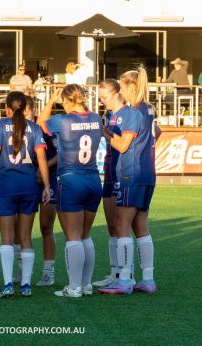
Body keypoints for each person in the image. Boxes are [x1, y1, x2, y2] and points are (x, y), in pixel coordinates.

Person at [37, 84, 103, 298]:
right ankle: (86, 285)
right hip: (93, 179)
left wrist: (50, 101)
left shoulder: (62, 120)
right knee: (85, 235)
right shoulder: (96, 118)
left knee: (72, 237)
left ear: (65, 101)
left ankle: (74, 287)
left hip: (71, 179)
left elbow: (40, 123)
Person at [99, 67, 160, 295]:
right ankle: (148, 278)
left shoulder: (132, 111)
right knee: (141, 226)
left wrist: (105, 132)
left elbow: (123, 146)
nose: (120, 91)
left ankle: (124, 280)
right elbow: (158, 132)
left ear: (129, 87)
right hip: (147, 173)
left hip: (130, 173)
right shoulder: (147, 109)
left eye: (121, 86)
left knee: (122, 225)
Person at [0, 91, 50, 298]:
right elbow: (41, 158)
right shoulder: (35, 127)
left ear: (7, 109)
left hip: (7, 185)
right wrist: (46, 186)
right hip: (29, 186)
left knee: (7, 238)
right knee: (26, 237)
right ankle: (27, 285)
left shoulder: (0, 125)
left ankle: (7, 284)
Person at [92, 79, 126, 289]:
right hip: (109, 171)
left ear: (115, 93)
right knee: (111, 226)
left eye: (104, 97)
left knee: (121, 226)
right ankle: (114, 272)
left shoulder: (127, 113)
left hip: (122, 174)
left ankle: (125, 273)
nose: (101, 101)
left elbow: (155, 131)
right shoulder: (110, 115)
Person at [23, 96, 59, 287]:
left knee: (46, 226)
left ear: (33, 109)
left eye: (27, 111)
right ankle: (23, 270)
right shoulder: (16, 128)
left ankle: (48, 272)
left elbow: (61, 154)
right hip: (26, 181)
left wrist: (44, 168)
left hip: (48, 180)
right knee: (22, 228)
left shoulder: (46, 127)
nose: (24, 116)